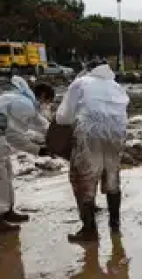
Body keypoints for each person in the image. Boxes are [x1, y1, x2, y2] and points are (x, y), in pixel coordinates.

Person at [56, 60, 129, 242]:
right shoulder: (116, 86)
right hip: (117, 135)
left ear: (88, 70)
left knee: (84, 179)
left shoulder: (81, 83)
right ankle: (115, 225)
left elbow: (63, 118)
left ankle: (89, 230)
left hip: (89, 133)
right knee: (112, 178)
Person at [0, 76, 54, 233]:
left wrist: (58, 135)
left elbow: (42, 124)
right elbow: (14, 137)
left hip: (2, 137)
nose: (48, 106)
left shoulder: (24, 102)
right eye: (49, 102)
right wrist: (39, 150)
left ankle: (7, 210)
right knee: (1, 177)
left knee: (7, 173)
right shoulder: (24, 105)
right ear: (43, 97)